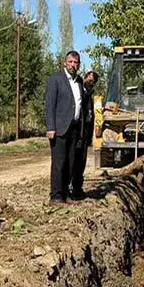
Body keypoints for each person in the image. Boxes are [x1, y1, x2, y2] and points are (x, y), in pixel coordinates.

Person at [45, 51, 84, 204]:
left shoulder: (79, 81)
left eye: (76, 62)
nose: (73, 65)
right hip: (59, 128)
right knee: (59, 163)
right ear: (65, 63)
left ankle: (66, 193)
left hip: (74, 128)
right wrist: (50, 127)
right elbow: (49, 105)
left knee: (71, 163)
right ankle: (56, 195)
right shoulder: (55, 79)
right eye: (70, 62)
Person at [71, 70, 99, 199]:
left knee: (81, 162)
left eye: (93, 82)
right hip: (77, 133)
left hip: (85, 134)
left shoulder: (89, 95)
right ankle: (69, 188)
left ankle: (77, 188)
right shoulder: (79, 92)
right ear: (85, 77)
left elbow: (90, 116)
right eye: (89, 80)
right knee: (73, 161)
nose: (90, 83)